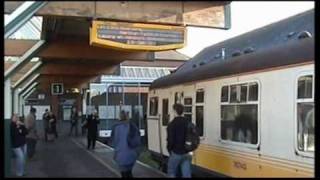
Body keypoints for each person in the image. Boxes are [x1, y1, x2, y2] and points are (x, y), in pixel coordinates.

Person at [111, 110, 141, 178]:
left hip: (121, 155)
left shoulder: (117, 127)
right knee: (129, 172)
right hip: (132, 154)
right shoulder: (133, 126)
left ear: (120, 117)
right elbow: (138, 139)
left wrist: (115, 154)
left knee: (124, 174)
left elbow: (115, 142)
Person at [166, 104, 192, 178]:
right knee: (186, 175)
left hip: (176, 152)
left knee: (171, 172)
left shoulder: (171, 125)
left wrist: (169, 150)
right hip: (187, 153)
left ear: (174, 111)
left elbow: (170, 140)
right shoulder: (188, 122)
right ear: (182, 111)